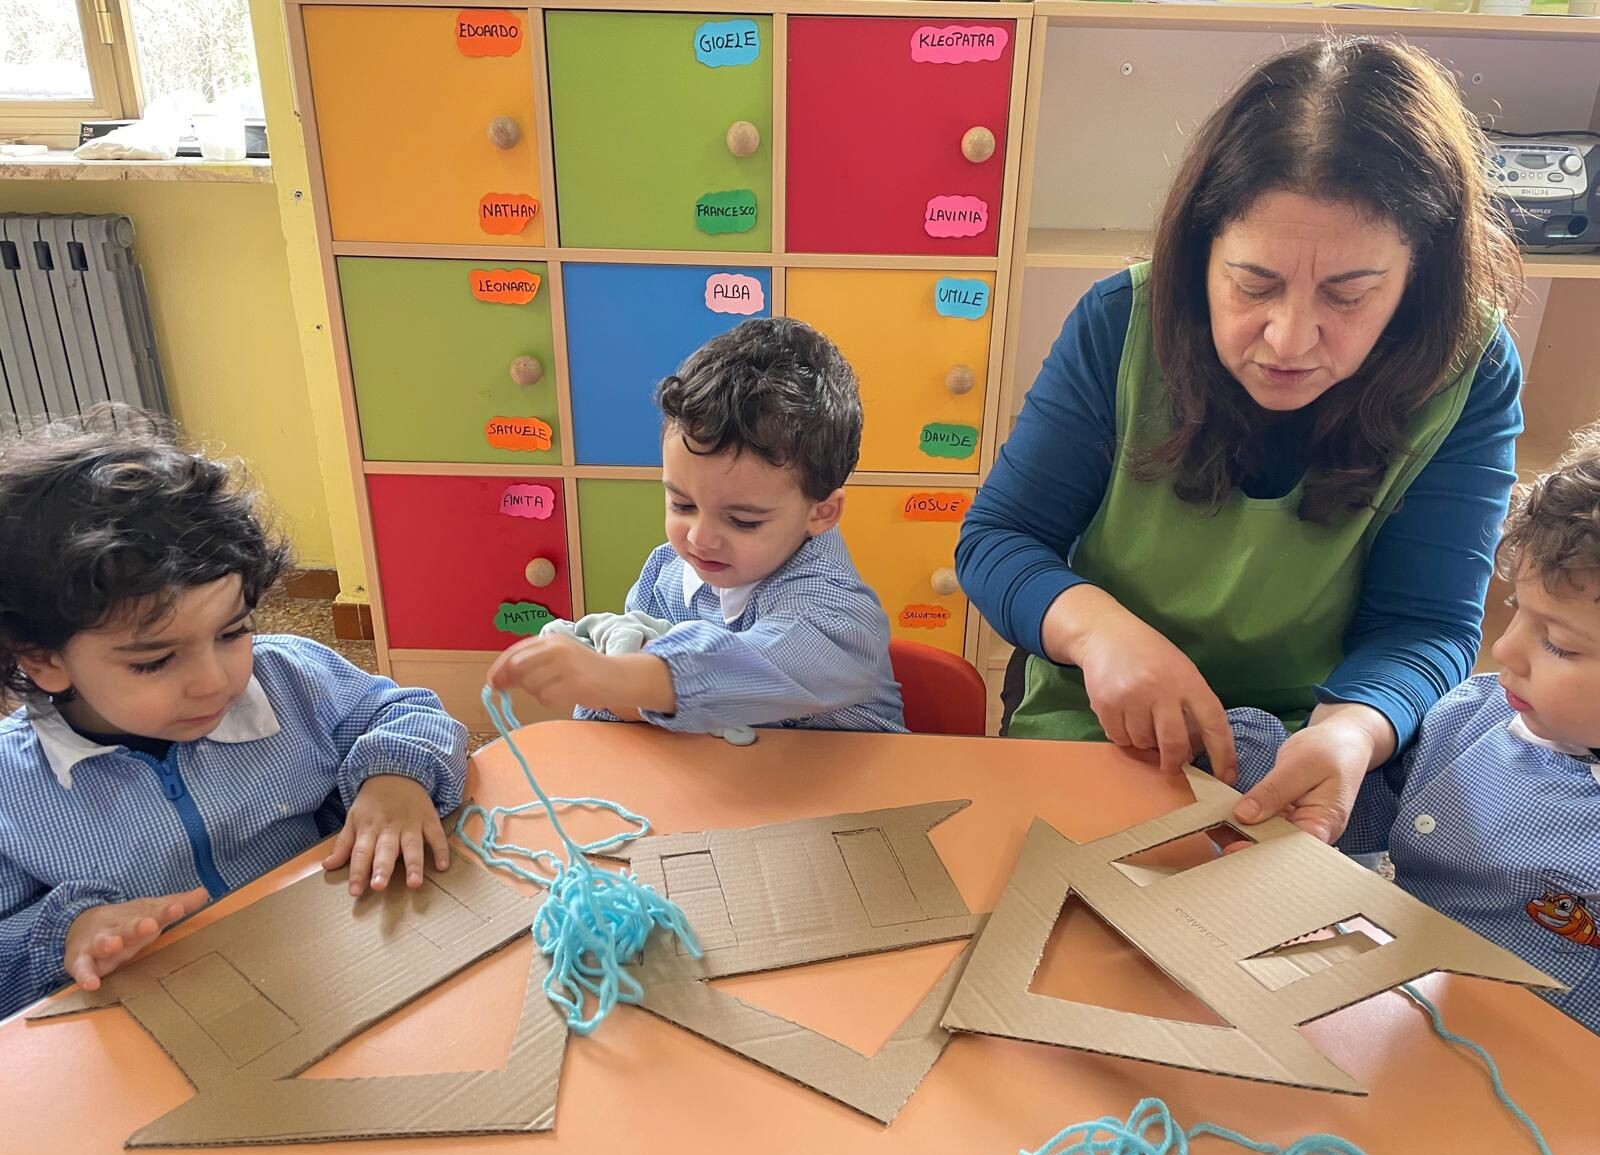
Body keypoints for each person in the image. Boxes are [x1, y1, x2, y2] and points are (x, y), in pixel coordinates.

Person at [957, 36, 1523, 844]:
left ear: (1417, 281)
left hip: (1307, 748)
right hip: (1099, 733)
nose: (1290, 339)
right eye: (1253, 283)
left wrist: (1355, 728)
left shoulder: (1467, 369)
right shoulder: (1122, 323)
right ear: (1201, 253)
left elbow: (1426, 623)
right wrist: (1097, 630)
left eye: (1350, 295)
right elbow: (998, 539)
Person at [0, 410, 467, 1019]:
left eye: (232, 631)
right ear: (44, 661)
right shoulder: (12, 791)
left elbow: (407, 712)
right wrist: (63, 934)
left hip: (341, 969)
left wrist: (394, 777)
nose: (215, 681)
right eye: (156, 661)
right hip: (170, 1024)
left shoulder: (288, 678)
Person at [1229, 424, 1600, 1032]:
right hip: (1365, 1015)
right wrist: (1259, 757)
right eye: (1515, 612)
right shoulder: (1477, 713)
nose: (1503, 650)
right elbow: (1371, 818)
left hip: (1509, 1085)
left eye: (1557, 643)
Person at [489, 317, 905, 734]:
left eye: (743, 520)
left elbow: (750, 666)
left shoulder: (837, 612)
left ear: (820, 514)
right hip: (720, 784)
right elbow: (625, 714)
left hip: (852, 786)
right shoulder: (663, 575)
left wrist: (614, 678)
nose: (699, 538)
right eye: (682, 504)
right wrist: (602, 668)